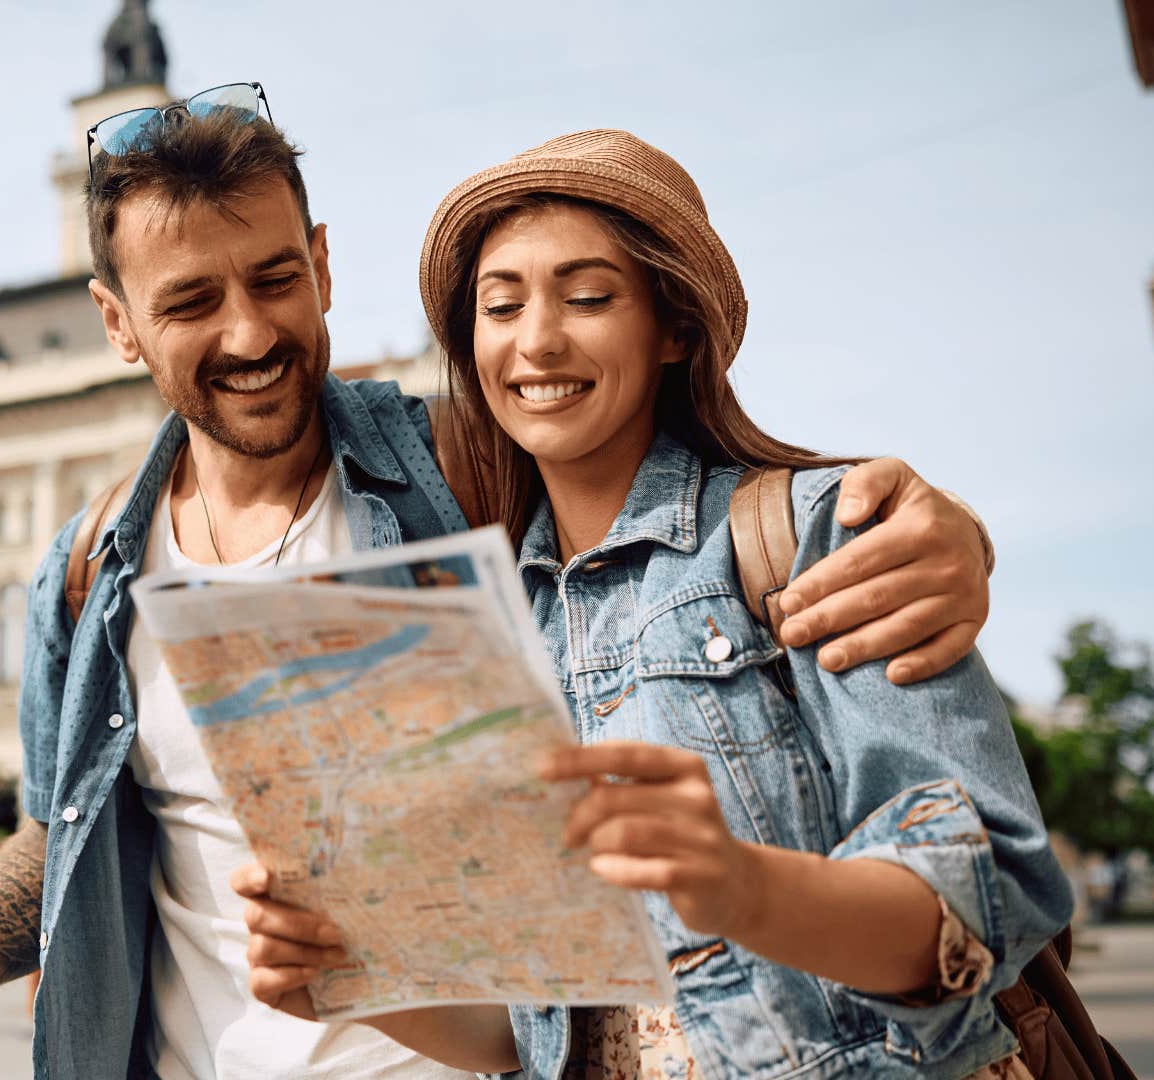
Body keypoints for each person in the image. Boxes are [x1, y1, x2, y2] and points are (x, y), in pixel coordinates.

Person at [0, 92, 1000, 1080]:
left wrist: (947, 534)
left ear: (325, 265)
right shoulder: (86, 575)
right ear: (117, 324)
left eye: (275, 279)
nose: (248, 333)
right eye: (189, 301)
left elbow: (669, 489)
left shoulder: (467, 466)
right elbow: (66, 849)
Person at [237, 130, 1069, 1078]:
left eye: (589, 297)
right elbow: (540, 1027)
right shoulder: (496, 627)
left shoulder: (819, 536)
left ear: (675, 327)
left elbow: (985, 896)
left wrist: (743, 888)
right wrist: (356, 976)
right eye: (499, 305)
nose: (537, 338)